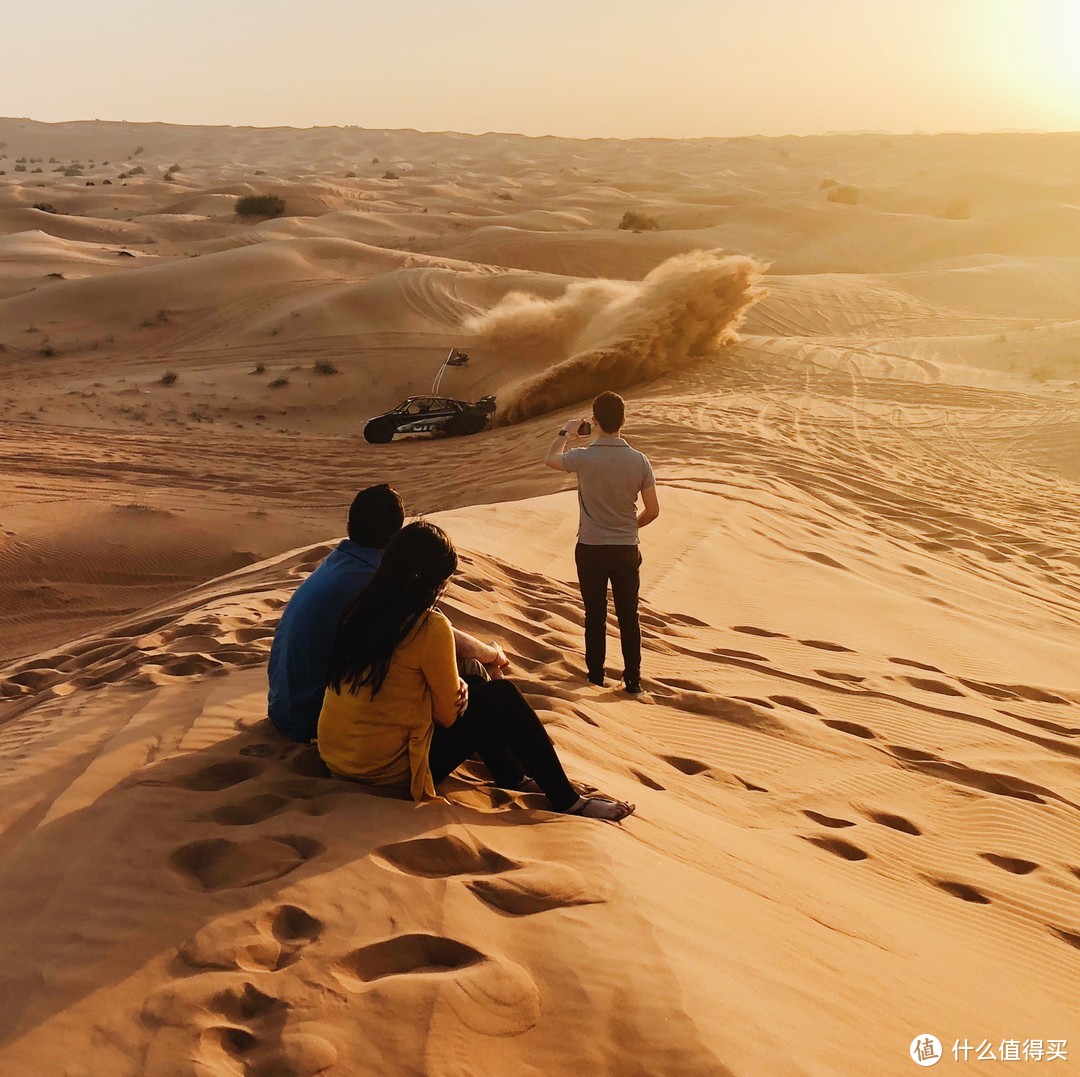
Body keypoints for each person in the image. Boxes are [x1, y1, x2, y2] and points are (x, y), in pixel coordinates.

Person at [318, 520, 635, 820]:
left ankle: (512, 776)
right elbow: (447, 717)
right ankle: (569, 802)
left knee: (474, 682)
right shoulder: (429, 626)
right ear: (428, 580)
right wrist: (460, 688)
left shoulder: (361, 610)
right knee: (501, 696)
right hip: (390, 772)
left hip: (341, 760)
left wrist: (461, 684)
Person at [267, 484, 509, 743]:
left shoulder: (337, 564)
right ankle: (504, 753)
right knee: (469, 670)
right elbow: (439, 634)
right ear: (398, 539)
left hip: (283, 707)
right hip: (318, 720)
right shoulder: (379, 581)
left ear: (348, 529)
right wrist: (493, 655)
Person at [544, 391, 659, 694]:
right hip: (625, 548)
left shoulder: (583, 457)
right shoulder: (639, 461)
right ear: (624, 420)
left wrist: (565, 433)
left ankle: (595, 676)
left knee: (594, 615)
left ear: (594, 422)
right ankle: (633, 680)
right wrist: (629, 528)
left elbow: (550, 459)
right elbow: (653, 510)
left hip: (591, 548)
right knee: (628, 615)